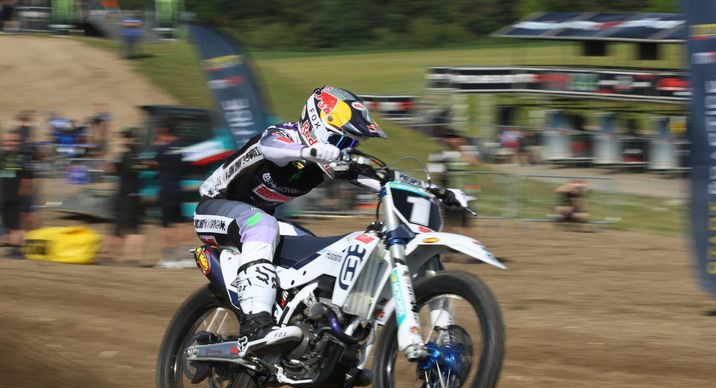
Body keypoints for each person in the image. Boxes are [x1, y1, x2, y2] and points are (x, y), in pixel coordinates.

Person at [195, 86, 470, 350]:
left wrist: (438, 191)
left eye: (351, 143)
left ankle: (297, 326)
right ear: (316, 126)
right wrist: (308, 151)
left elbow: (385, 179)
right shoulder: (284, 135)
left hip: (257, 220)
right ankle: (256, 323)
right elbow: (269, 146)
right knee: (262, 224)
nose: (346, 149)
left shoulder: (332, 160)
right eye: (341, 140)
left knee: (311, 250)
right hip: (214, 207)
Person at [152, 118, 193, 268]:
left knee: (166, 225)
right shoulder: (182, 146)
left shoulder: (161, 150)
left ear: (165, 131)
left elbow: (155, 161)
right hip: (178, 187)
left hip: (166, 188)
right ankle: (188, 258)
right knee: (181, 223)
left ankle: (169, 260)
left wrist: (158, 145)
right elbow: (187, 164)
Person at [102, 128, 144, 265]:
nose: (123, 140)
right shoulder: (139, 154)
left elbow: (110, 170)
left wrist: (108, 157)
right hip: (136, 195)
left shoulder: (126, 155)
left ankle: (108, 257)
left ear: (130, 139)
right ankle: (134, 259)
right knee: (135, 229)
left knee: (117, 228)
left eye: (125, 138)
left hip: (125, 196)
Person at [0, 130, 32, 258]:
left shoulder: (18, 158)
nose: (10, 143)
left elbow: (25, 181)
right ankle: (16, 249)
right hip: (8, 198)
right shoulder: (10, 157)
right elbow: (6, 178)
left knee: (15, 227)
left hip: (13, 198)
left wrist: (25, 203)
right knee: (13, 226)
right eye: (7, 140)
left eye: (13, 141)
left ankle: (17, 252)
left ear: (18, 142)